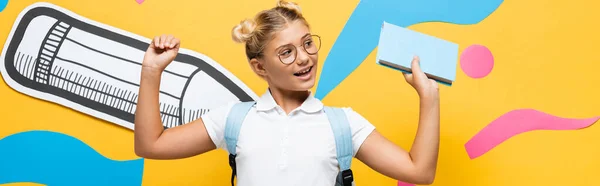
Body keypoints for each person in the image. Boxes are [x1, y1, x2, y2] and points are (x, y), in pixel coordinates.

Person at [133, 0, 440, 185]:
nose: (305, 57)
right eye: (286, 52)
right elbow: (151, 145)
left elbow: (420, 171)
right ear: (260, 67)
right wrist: (151, 71)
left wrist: (429, 97)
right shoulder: (233, 120)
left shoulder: (344, 125)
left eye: (307, 43)